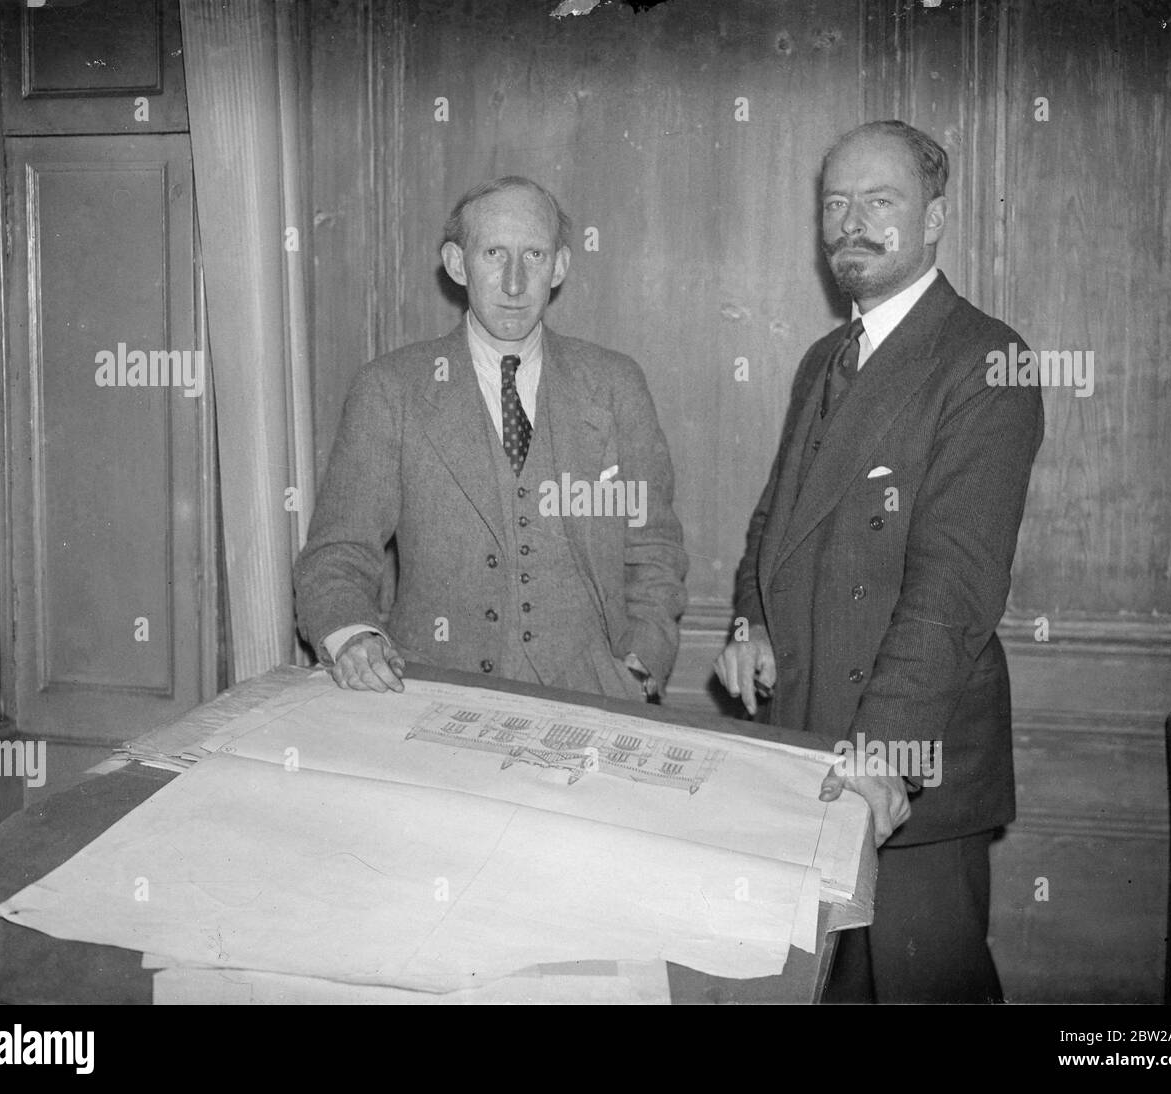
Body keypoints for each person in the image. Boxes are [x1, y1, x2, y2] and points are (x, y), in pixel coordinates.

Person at [715, 120, 1044, 1003]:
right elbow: (775, 515)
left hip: (906, 765)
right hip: (810, 742)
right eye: (835, 203)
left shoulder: (988, 359)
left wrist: (884, 754)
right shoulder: (827, 357)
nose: (850, 223)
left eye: (879, 202)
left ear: (934, 220)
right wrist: (749, 619)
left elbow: (954, 588)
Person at [294, 177, 688, 702]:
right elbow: (336, 554)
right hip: (432, 696)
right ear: (458, 264)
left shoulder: (615, 386)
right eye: (494, 253)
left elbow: (654, 549)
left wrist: (640, 666)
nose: (514, 282)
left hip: (591, 700)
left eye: (535, 255)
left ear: (561, 267)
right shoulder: (391, 389)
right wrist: (354, 637)